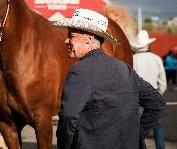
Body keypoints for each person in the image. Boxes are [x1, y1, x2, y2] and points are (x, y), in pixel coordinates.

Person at [53, 8, 166, 149]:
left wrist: (63, 146)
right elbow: (157, 103)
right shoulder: (124, 69)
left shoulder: (79, 71)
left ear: (89, 39)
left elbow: (68, 116)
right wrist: (136, 136)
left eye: (71, 36)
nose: (66, 40)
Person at [131, 30, 167, 149]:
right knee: (157, 127)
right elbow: (163, 83)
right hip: (154, 98)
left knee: (136, 129)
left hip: (138, 99)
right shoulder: (157, 59)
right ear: (148, 44)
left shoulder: (133, 59)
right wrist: (157, 95)